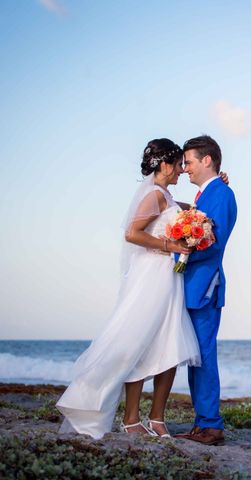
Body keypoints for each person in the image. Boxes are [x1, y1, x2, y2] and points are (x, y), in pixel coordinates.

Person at [56, 138, 201, 439]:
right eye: (177, 165)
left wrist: (212, 189)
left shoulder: (166, 195)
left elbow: (193, 210)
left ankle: (157, 418)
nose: (180, 171)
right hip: (152, 277)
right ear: (164, 165)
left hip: (169, 279)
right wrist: (169, 244)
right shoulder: (153, 195)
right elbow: (131, 234)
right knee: (135, 341)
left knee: (171, 344)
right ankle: (131, 418)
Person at [175, 135, 237, 445]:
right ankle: (203, 422)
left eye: (188, 162)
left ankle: (211, 425)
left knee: (204, 355)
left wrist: (176, 251)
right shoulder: (204, 194)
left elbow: (213, 242)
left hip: (205, 286)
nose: (185, 168)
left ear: (206, 161)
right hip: (191, 286)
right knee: (195, 357)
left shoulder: (222, 194)